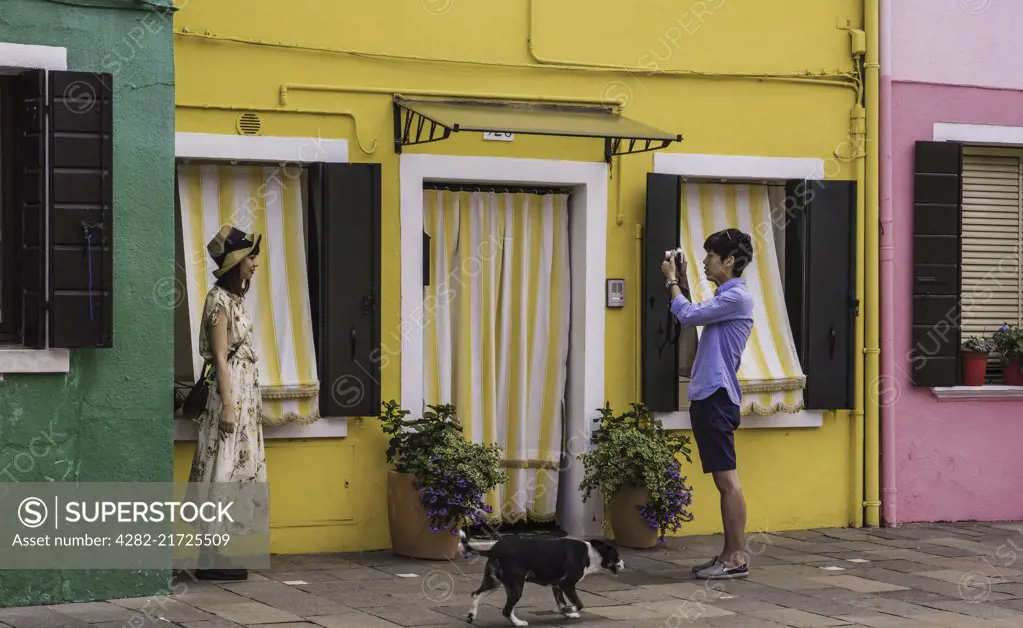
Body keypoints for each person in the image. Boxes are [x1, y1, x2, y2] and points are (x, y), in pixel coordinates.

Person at [661, 228, 754, 581]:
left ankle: (736, 558)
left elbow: (686, 315)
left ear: (729, 260)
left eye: (711, 256)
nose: (705, 262)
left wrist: (672, 282)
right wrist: (681, 282)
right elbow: (695, 310)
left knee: (727, 481)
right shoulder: (724, 299)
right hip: (709, 396)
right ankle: (730, 554)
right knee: (723, 481)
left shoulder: (737, 298)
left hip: (716, 397)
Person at [187, 225, 267, 581]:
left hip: (242, 390)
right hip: (228, 391)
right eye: (251, 257)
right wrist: (230, 406)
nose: (255, 264)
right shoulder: (218, 300)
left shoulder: (236, 299)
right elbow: (220, 357)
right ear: (236, 263)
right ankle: (207, 552)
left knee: (233, 465)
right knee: (220, 462)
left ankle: (215, 549)